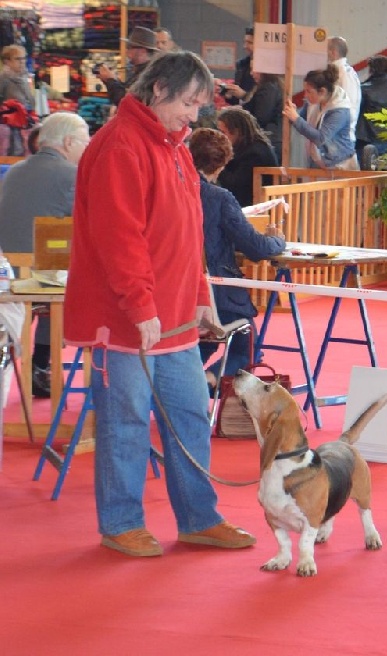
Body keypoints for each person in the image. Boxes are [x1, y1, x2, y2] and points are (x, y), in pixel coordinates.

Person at [63, 51, 256, 558]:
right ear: (159, 91)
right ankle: (121, 522)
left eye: (200, 104)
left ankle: (198, 517)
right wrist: (141, 306)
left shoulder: (174, 146)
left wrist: (198, 297)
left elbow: (189, 234)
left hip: (174, 320)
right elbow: (118, 238)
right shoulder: (121, 146)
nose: (195, 114)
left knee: (190, 417)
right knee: (125, 423)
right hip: (127, 321)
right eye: (190, 102)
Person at [187, 127, 285, 392]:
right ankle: (204, 382)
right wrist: (279, 239)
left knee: (201, 344)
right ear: (221, 164)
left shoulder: (172, 188)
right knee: (248, 349)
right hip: (216, 298)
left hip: (179, 295)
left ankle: (188, 381)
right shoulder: (220, 198)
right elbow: (257, 248)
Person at [0, 111, 90, 398]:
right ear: (67, 142)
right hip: (42, 279)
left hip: (7, 276)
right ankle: (41, 362)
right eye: (84, 142)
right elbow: (90, 227)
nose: (87, 148)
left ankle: (38, 364)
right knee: (73, 276)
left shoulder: (15, 170)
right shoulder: (72, 176)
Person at [282, 65, 358, 171]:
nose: (305, 95)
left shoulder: (340, 109)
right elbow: (302, 121)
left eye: (309, 91)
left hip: (340, 164)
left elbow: (321, 138)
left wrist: (296, 118)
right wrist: (292, 115)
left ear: (322, 91)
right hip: (318, 160)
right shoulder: (313, 102)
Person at [216, 106, 279, 207]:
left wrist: (215, 164)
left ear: (237, 132)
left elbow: (234, 185)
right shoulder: (246, 146)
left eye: (223, 132)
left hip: (257, 205)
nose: (220, 136)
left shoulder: (254, 153)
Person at [96, 26, 159, 107]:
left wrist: (110, 80)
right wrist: (111, 80)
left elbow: (126, 101)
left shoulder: (149, 74)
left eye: (129, 47)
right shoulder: (142, 70)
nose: (126, 51)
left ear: (142, 51)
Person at [0, 44, 35, 156]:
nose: (22, 61)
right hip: (11, 124)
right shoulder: (4, 78)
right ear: (7, 61)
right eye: (18, 59)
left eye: (24, 58)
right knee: (14, 151)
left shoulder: (24, 77)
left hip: (26, 121)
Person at [242, 69, 284, 162]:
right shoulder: (273, 86)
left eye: (255, 70)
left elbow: (262, 117)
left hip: (270, 138)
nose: (251, 73)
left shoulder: (268, 88)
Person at [327, 36, 360, 143]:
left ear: (333, 52)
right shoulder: (335, 72)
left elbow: (349, 105)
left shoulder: (345, 74)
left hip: (340, 138)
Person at [219, 27, 255, 105]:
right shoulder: (242, 65)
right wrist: (228, 95)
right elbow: (236, 100)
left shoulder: (267, 72)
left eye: (250, 42)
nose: (245, 46)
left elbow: (262, 103)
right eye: (245, 42)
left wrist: (244, 95)